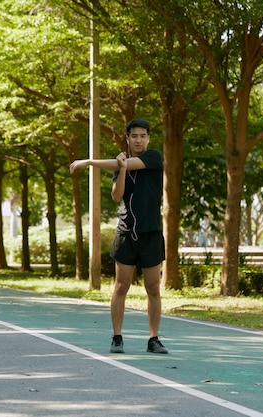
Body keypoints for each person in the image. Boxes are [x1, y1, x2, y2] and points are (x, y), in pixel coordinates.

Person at [69, 118, 168, 354]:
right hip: (126, 233)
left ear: (148, 138)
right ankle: (117, 338)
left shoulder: (153, 157)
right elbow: (117, 196)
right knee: (120, 286)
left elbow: (122, 164)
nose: (139, 140)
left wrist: (88, 162)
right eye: (134, 136)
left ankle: (153, 339)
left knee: (153, 288)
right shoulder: (122, 164)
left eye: (143, 136)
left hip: (151, 233)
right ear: (128, 138)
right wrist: (121, 169)